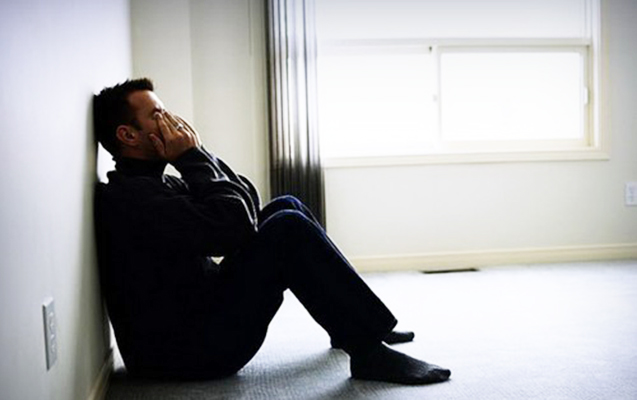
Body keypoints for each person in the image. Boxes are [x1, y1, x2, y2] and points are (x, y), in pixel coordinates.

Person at [93, 78, 451, 385]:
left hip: (196, 319)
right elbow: (233, 227)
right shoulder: (133, 199)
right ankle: (369, 352)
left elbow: (247, 203)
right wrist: (191, 158)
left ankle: (351, 326)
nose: (172, 123)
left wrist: (199, 154)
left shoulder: (156, 184)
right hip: (185, 353)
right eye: (157, 115)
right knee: (286, 229)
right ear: (128, 134)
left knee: (284, 206)